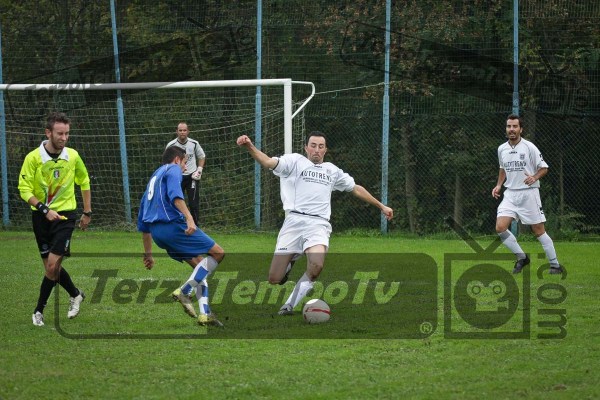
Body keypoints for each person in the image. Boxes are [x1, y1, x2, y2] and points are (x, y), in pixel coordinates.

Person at [237, 131, 394, 315]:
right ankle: (290, 262)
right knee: (274, 278)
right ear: (306, 148)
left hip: (318, 224)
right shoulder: (294, 161)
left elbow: (355, 188)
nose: (316, 150)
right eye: (313, 146)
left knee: (316, 265)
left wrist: (381, 206)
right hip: (293, 222)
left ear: (325, 150)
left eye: (321, 146)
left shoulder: (332, 170)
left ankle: (289, 305)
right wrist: (249, 146)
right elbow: (268, 162)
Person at [18, 112, 91, 327]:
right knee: (51, 269)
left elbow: (84, 181)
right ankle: (76, 294)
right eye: (60, 133)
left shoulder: (73, 156)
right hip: (40, 217)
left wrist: (87, 212)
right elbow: (24, 189)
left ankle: (38, 310)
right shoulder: (33, 158)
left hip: (65, 216)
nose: (64, 138)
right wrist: (43, 209)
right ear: (48, 133)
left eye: (67, 133)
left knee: (52, 265)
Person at [138, 146, 225, 326]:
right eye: (185, 162)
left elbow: (143, 222)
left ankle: (205, 314)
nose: (185, 167)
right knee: (218, 253)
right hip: (173, 227)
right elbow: (176, 196)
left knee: (200, 266)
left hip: (158, 234)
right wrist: (189, 218)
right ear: (177, 159)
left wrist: (148, 254)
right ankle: (184, 291)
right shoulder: (173, 169)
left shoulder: (153, 179)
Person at [492, 114, 564, 275]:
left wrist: (534, 177)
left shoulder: (529, 147)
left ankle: (555, 265)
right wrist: (498, 185)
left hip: (529, 194)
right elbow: (502, 169)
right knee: (500, 227)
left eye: (515, 126)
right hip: (510, 194)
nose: (511, 129)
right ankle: (522, 258)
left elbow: (544, 168)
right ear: (506, 129)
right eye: (509, 126)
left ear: (521, 129)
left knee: (538, 230)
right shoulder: (501, 149)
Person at [165, 122, 205, 225]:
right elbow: (166, 162)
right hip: (177, 177)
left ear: (188, 131)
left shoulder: (194, 143)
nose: (182, 132)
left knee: (193, 204)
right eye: (180, 130)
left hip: (192, 177)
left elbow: (202, 156)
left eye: (184, 130)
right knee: (176, 203)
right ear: (176, 131)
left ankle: (195, 227)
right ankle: (178, 225)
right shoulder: (171, 145)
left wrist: (199, 169)